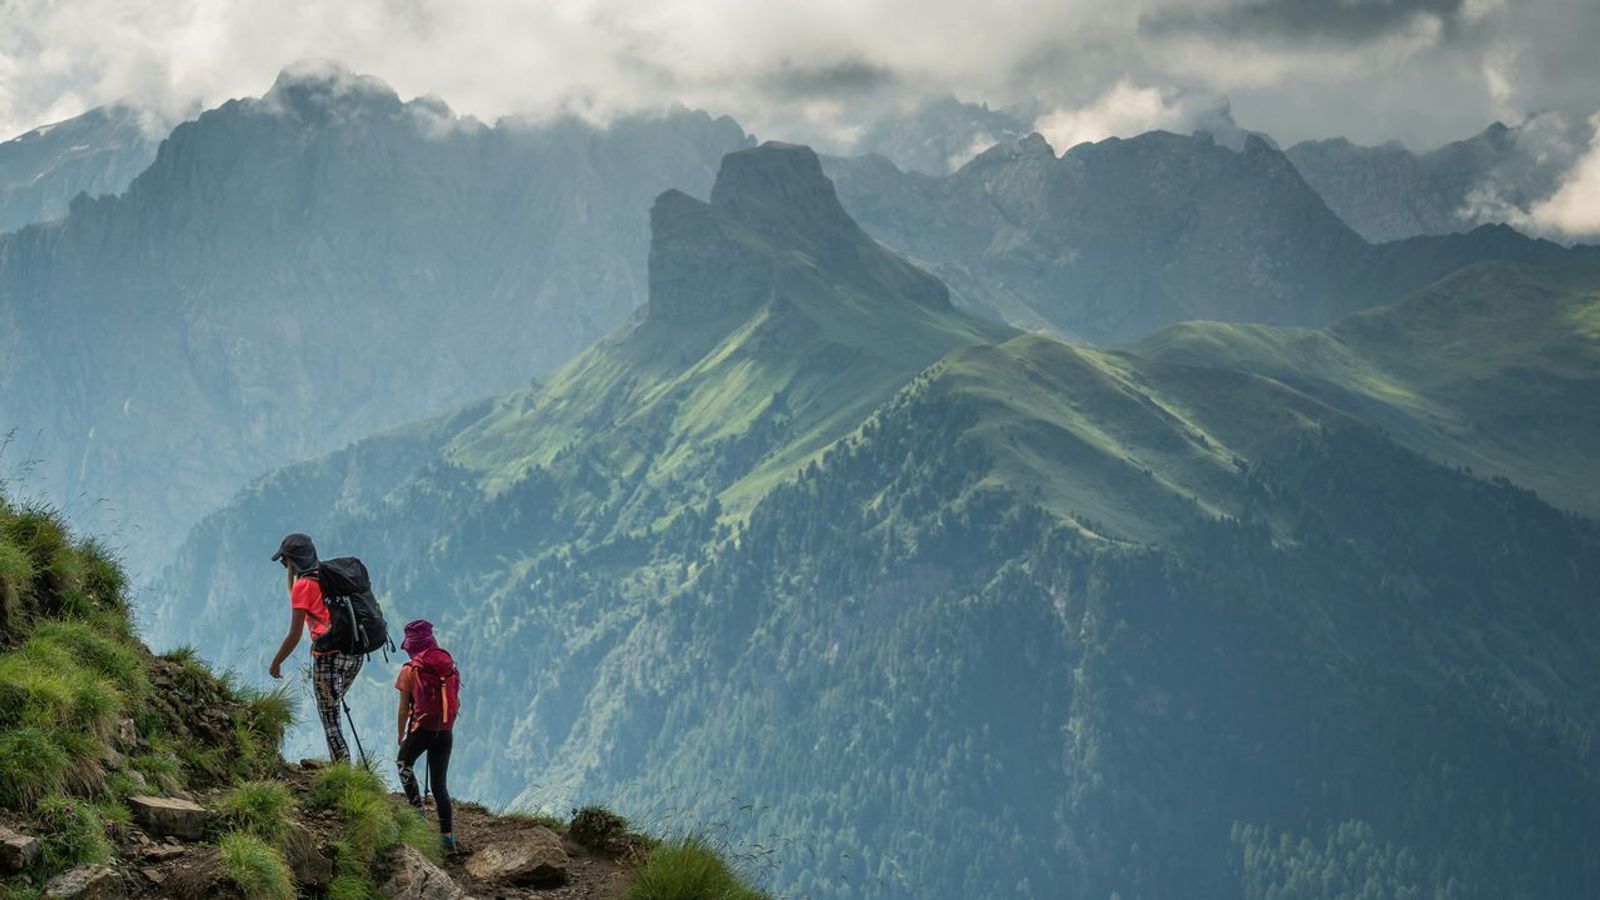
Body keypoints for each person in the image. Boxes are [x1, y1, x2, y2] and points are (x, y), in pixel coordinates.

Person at [267, 532, 364, 763]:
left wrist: (276, 662)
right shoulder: (331, 577)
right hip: (355, 653)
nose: (284, 566)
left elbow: (295, 634)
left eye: (284, 561)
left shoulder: (303, 586)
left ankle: (342, 774)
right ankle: (342, 767)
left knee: (329, 718)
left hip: (328, 656)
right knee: (334, 708)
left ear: (292, 561)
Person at [396, 619, 461, 854]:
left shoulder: (410, 670)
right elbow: (457, 700)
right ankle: (447, 839)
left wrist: (402, 734)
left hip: (422, 729)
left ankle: (418, 814)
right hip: (445, 730)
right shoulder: (448, 666)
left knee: (404, 763)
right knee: (439, 785)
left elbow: (404, 709)